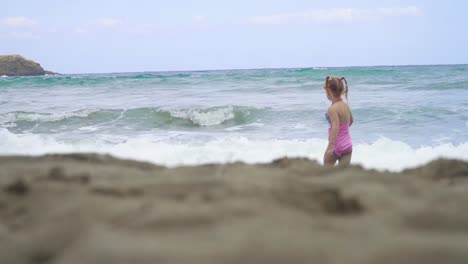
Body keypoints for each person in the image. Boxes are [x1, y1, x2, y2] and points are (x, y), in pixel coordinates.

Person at [323, 76, 353, 167]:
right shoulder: (346, 105)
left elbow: (335, 127)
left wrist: (331, 146)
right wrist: (343, 131)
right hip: (348, 144)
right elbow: (351, 121)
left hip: (336, 145)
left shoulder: (332, 108)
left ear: (328, 92)